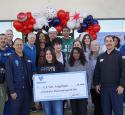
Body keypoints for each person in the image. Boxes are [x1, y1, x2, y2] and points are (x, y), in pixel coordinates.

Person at [94, 35, 125, 115]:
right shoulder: (100, 57)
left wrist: (122, 85)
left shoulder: (120, 55)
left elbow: (123, 71)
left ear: (114, 43)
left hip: (117, 89)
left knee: (118, 111)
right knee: (106, 112)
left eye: (110, 41)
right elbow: (97, 72)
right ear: (104, 43)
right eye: (107, 41)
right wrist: (96, 84)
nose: (109, 43)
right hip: (104, 89)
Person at [6, 38, 32, 115]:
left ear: (23, 46)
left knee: (26, 112)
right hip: (16, 91)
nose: (19, 46)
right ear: (13, 46)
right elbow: (9, 76)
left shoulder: (27, 58)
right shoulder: (10, 58)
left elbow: (30, 73)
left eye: (21, 44)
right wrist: (12, 91)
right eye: (17, 45)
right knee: (15, 112)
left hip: (27, 91)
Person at [37, 47, 64, 115]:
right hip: (46, 96)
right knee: (48, 113)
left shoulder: (59, 65)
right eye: (47, 54)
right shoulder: (41, 66)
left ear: (53, 54)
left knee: (58, 113)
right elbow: (39, 80)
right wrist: (35, 79)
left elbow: (63, 80)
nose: (48, 55)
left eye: (50, 54)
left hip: (58, 95)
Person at [66, 47, 89, 115]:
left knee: (82, 111)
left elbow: (89, 77)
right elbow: (65, 77)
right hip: (72, 92)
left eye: (78, 53)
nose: (76, 54)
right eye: (74, 53)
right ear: (72, 54)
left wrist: (87, 90)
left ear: (80, 54)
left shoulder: (85, 63)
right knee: (74, 111)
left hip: (83, 92)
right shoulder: (68, 64)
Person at [0, 33, 14, 115]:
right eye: (1, 38)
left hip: (10, 82)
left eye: (4, 38)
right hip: (1, 83)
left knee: (10, 102)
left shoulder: (12, 52)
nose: (3, 40)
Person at [88, 40, 102, 115]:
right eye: (92, 45)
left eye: (96, 45)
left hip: (100, 84)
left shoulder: (103, 56)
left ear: (99, 46)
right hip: (92, 85)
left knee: (100, 104)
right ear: (90, 47)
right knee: (96, 103)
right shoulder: (88, 57)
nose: (94, 46)